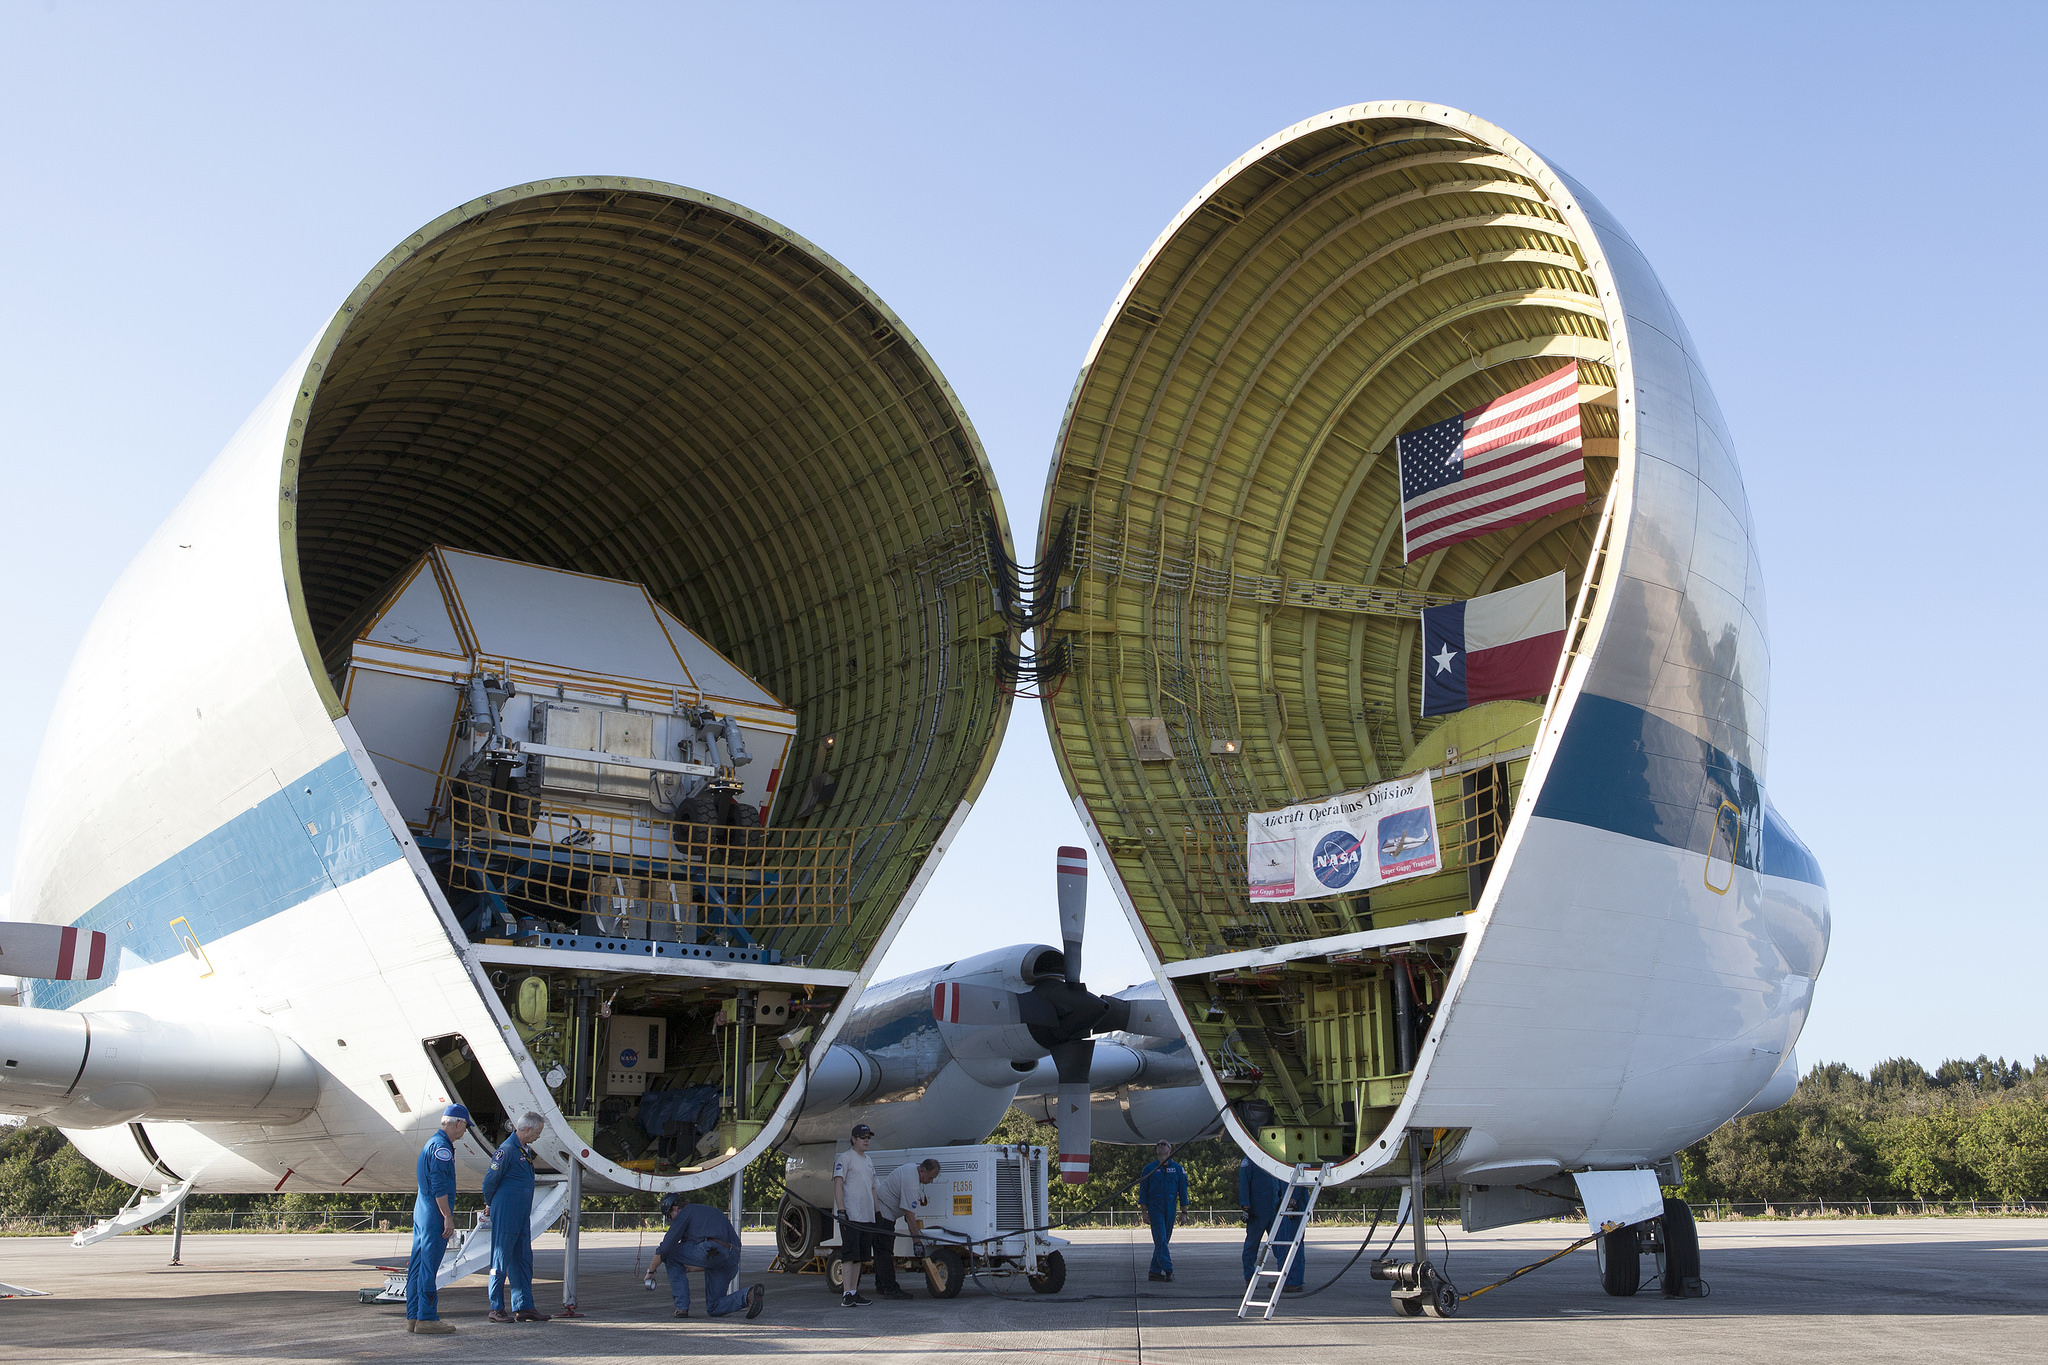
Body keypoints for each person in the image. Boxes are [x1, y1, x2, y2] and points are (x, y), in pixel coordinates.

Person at [647, 1193, 765, 1320]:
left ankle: (681, 1307)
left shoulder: (684, 1213)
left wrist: (650, 1271)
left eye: (669, 1216)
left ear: (675, 1208)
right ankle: (748, 1295)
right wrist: (693, 1267)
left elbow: (664, 1248)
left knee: (669, 1254)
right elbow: (720, 1254)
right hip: (731, 1257)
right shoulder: (706, 1212)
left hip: (713, 1249)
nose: (671, 1220)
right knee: (714, 1307)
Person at [405, 1105, 470, 1334]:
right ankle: (428, 1318)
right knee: (429, 1268)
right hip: (434, 1212)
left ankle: (413, 1316)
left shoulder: (432, 1143)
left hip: (423, 1209)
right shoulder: (442, 1148)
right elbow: (439, 1186)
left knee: (418, 1266)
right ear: (458, 1123)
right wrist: (447, 1217)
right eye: (465, 1126)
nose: (464, 1132)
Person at [482, 1112, 550, 1324]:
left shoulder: (524, 1150)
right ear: (527, 1129)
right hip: (506, 1212)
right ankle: (496, 1308)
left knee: (522, 1259)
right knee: (500, 1258)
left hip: (520, 1214)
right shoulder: (507, 1150)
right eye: (537, 1132)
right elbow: (490, 1181)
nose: (538, 1136)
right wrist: (490, 1204)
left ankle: (524, 1306)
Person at [831, 1123, 898, 1307]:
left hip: (867, 1215)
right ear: (854, 1139)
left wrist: (877, 1212)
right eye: (863, 1137)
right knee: (849, 1254)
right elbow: (838, 1184)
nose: (866, 1141)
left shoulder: (868, 1160)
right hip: (851, 1213)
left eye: (869, 1137)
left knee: (861, 1256)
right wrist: (841, 1209)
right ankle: (846, 1293)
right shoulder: (845, 1159)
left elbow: (873, 1188)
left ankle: (854, 1291)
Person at [873, 1157, 941, 1299]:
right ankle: (890, 1289)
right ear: (922, 1170)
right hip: (882, 1212)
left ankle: (881, 1285)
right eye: (930, 1177)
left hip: (885, 1211)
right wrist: (917, 1243)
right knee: (884, 1251)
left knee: (881, 1251)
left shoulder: (912, 1169)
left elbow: (908, 1214)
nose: (931, 1181)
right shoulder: (911, 1183)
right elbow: (910, 1218)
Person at [1239, 1159, 1307, 1293]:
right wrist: (1245, 1206)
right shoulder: (1250, 1161)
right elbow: (1244, 1184)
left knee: (1281, 1246)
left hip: (1274, 1210)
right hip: (1257, 1211)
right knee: (1252, 1245)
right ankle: (1250, 1277)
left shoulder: (1272, 1159)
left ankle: (1285, 1277)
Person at [1138, 1141, 1189, 1282]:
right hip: (1155, 1209)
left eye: (1164, 1144)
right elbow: (1143, 1191)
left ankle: (1154, 1271)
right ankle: (1168, 1269)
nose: (1160, 1146)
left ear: (1170, 1149)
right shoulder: (1149, 1169)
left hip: (1170, 1208)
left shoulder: (1178, 1169)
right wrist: (1144, 1211)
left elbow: (1183, 1191)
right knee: (1160, 1240)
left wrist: (1184, 1212)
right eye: (1158, 1145)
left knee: (1164, 1241)